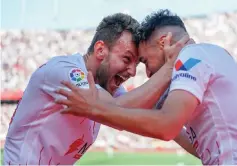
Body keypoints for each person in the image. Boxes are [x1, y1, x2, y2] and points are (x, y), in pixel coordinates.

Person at [55, 9, 237, 165]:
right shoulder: (217, 55)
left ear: (163, 42)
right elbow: (201, 149)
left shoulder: (190, 56)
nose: (147, 73)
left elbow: (166, 126)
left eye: (145, 61)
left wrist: (93, 108)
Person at [3, 13, 191, 165]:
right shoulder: (65, 71)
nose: (133, 72)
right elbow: (113, 110)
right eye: (126, 59)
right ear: (101, 50)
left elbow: (149, 117)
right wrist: (170, 68)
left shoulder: (108, 89)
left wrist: (207, 148)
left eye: (136, 64)